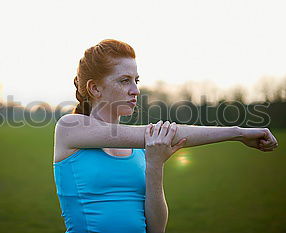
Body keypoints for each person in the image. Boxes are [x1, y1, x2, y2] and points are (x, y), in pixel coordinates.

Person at [52, 39, 278, 233]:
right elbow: (169, 132)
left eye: (136, 80)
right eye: (124, 80)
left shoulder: (141, 147)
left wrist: (155, 165)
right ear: (95, 88)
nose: (136, 90)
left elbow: (156, 228)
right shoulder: (70, 127)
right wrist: (237, 133)